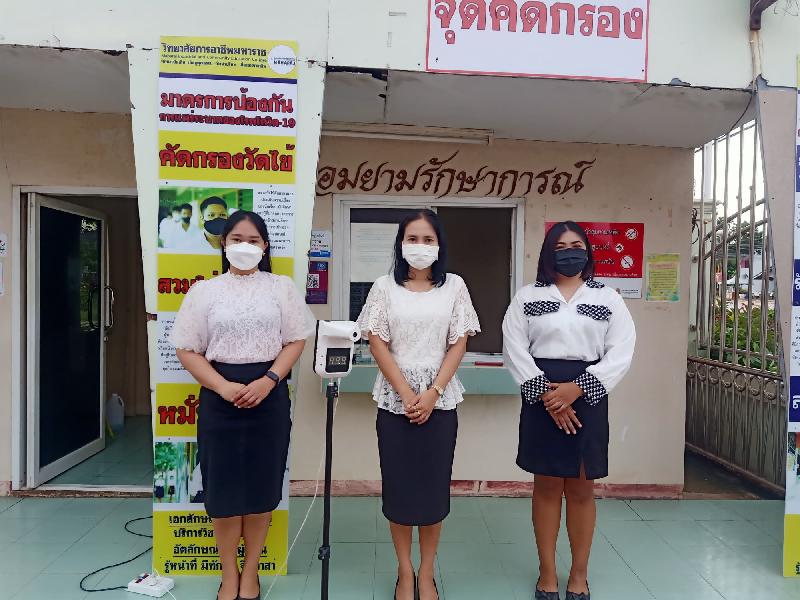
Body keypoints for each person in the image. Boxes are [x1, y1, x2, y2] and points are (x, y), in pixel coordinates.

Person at [171, 210, 315, 600]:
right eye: (237, 239)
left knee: (261, 487)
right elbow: (187, 348)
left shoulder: (281, 287)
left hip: (269, 395)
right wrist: (222, 387)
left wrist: (270, 380)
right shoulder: (205, 291)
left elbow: (296, 339)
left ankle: (250, 572)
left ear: (265, 246)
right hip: (220, 398)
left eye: (253, 240)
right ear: (224, 244)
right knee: (223, 492)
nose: (245, 246)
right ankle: (229, 574)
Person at [502, 221, 635, 600]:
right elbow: (514, 347)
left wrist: (578, 389)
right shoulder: (527, 296)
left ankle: (579, 574)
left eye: (576, 245)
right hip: (541, 396)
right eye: (560, 247)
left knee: (581, 488)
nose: (569, 252)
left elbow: (622, 350)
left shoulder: (608, 298)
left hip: (587, 397)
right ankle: (547, 573)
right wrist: (548, 396)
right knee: (546, 486)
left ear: (588, 251)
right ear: (548, 253)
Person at [357, 209, 480, 600]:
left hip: (439, 402)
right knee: (399, 490)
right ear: (400, 243)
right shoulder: (384, 287)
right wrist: (407, 394)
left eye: (428, 239)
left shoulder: (455, 286)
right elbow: (377, 342)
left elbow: (459, 341)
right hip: (395, 403)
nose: (420, 246)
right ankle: (404, 571)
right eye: (413, 238)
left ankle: (426, 572)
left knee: (432, 491)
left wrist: (433, 393)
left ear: (439, 245)